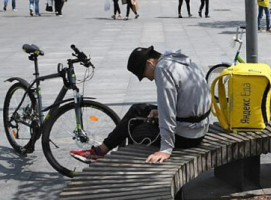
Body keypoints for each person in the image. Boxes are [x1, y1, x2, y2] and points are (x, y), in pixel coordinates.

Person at [69, 46, 211, 164]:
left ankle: (117, 162)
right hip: (199, 129)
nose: (148, 79)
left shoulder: (162, 69)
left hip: (187, 137)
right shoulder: (178, 60)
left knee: (136, 128)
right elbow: (185, 101)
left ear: (150, 63)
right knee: (138, 109)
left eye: (144, 74)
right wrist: (158, 111)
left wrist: (166, 149)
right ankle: (101, 150)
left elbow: (168, 111)